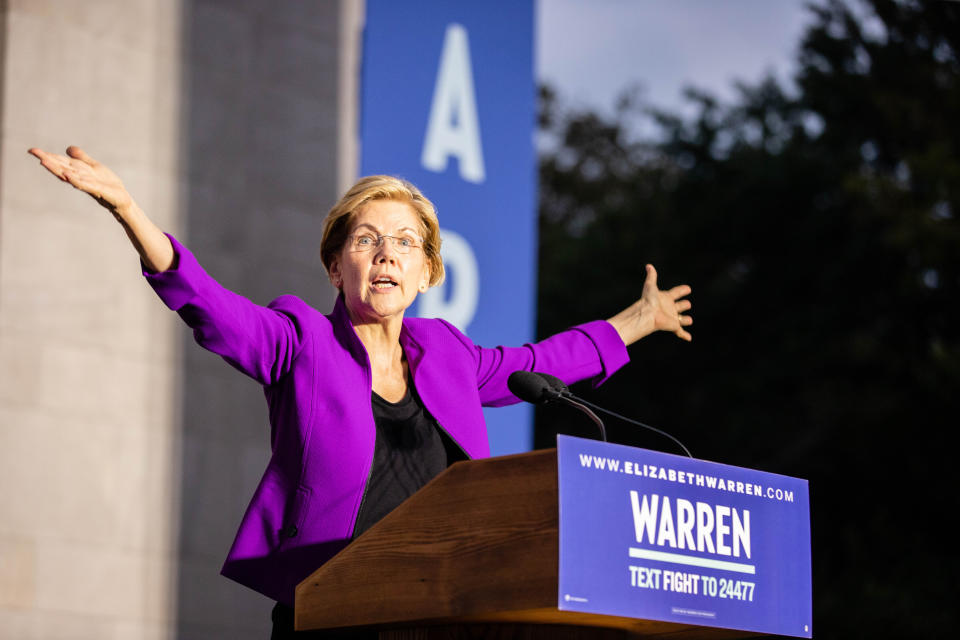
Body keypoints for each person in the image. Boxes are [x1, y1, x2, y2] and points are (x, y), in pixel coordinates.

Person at [28, 145, 693, 637]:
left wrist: (638, 320)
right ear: (334, 264)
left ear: (427, 271)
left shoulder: (450, 355)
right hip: (333, 610)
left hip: (444, 609)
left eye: (405, 242)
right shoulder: (298, 339)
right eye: (366, 239)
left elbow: (543, 361)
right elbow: (208, 305)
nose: (386, 254)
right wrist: (128, 210)